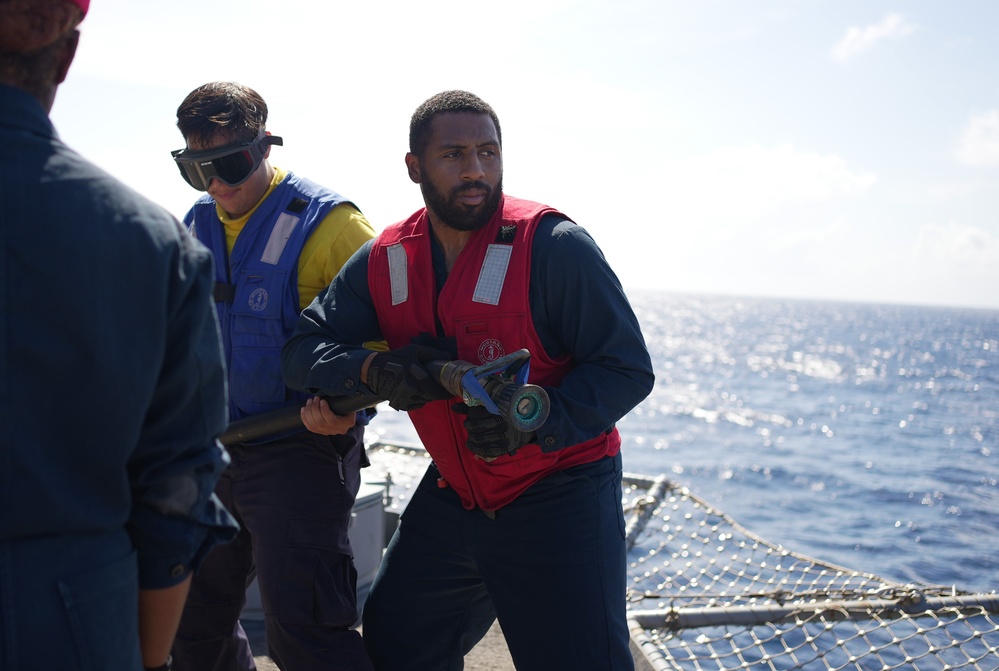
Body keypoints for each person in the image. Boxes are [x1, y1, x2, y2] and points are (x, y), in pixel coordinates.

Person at [281, 90, 656, 670]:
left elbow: (626, 368)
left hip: (559, 490)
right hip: (458, 490)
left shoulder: (553, 246)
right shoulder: (388, 257)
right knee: (398, 638)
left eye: (488, 152)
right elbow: (304, 348)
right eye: (453, 155)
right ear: (415, 167)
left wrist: (537, 423)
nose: (475, 170)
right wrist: (373, 370)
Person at [0, 2, 238, 670]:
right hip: (77, 618)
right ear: (68, 57)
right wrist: (150, 658)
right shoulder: (157, 242)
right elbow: (176, 491)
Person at [169, 81, 378, 671]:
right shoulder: (194, 224)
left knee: (305, 631)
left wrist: (348, 404)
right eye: (197, 170)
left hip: (300, 449)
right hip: (213, 455)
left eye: (230, 164)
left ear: (264, 146)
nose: (217, 185)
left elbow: (393, 338)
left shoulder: (333, 225)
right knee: (191, 626)